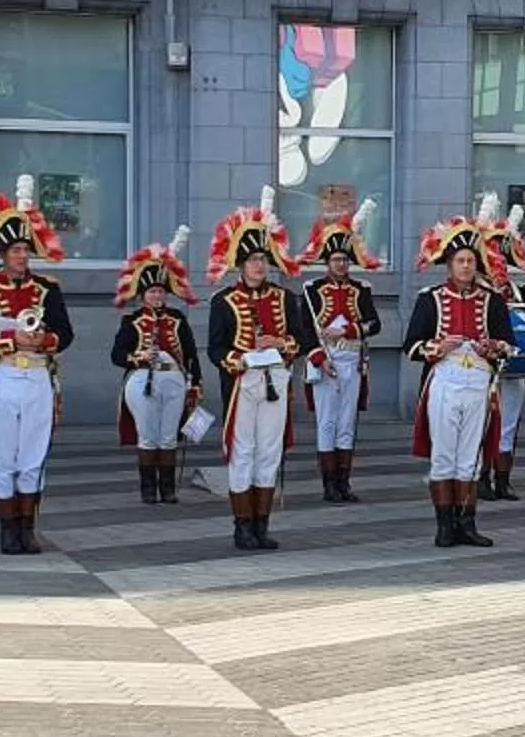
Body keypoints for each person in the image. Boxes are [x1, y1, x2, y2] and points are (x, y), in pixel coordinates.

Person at [0, 177, 75, 555]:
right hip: (2, 376)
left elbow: (66, 334)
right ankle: (7, 530)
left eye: (26, 249)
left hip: (39, 374)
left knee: (33, 456)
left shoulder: (48, 289)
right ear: (1, 253)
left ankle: (28, 527)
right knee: (2, 456)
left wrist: (45, 339)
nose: (22, 256)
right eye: (15, 250)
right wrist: (8, 340)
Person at [208, 188, 316, 551]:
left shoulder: (286, 298)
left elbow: (301, 340)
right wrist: (240, 356)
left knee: (270, 452)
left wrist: (280, 344)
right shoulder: (223, 301)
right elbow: (215, 348)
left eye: (263, 259)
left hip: (276, 381)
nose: (258, 265)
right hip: (242, 384)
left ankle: (261, 524)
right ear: (240, 263)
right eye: (252, 259)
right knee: (243, 453)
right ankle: (241, 526)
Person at [405, 212, 516, 547]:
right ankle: (444, 525)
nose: (466, 266)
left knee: (471, 457)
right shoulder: (431, 298)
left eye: (470, 260)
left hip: (479, 380)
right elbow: (411, 346)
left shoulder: (492, 300)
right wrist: (437, 347)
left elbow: (510, 345)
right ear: (449, 264)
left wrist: (494, 347)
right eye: (460, 260)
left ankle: (467, 523)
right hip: (445, 379)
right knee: (444, 454)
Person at [298, 200, 385, 503]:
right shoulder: (311, 290)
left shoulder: (361, 290)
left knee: (347, 422)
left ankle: (343, 483)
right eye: (335, 260)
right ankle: (328, 485)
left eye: (344, 260)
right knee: (327, 422)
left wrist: (348, 330)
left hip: (352, 358)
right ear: (327, 261)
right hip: (325, 361)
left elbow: (375, 325)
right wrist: (319, 358)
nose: (340, 265)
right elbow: (304, 330)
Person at [112, 228, 203, 505]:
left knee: (169, 437)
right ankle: (148, 489)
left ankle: (168, 488)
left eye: (160, 291)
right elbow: (117, 355)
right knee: (148, 436)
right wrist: (139, 356)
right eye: (151, 291)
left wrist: (195, 383)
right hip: (142, 379)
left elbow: (189, 354)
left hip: (174, 379)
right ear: (143, 294)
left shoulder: (177, 319)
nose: (156, 296)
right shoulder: (132, 320)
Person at [477, 193, 525, 502]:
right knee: (483, 422)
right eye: (496, 258)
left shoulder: (518, 289)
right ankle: (481, 477)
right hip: (484, 365)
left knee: (509, 422)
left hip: (513, 366)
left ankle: (503, 479)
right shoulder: (477, 289)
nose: (501, 264)